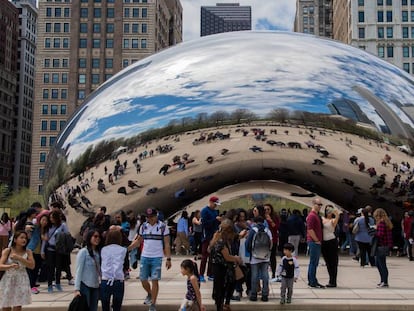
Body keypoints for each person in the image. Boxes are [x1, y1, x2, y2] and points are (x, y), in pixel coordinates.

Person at [135, 208, 171, 311]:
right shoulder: (143, 226)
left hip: (157, 257)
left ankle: (153, 304)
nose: (150, 219)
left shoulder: (163, 227)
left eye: (152, 217)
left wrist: (168, 258)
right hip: (145, 256)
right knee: (143, 279)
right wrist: (127, 249)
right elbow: (139, 241)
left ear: (156, 216)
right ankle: (150, 293)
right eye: (148, 217)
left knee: (155, 280)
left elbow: (167, 244)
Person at [209, 219, 242, 311]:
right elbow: (227, 257)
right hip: (222, 269)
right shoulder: (221, 241)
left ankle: (221, 305)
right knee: (222, 289)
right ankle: (221, 306)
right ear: (228, 231)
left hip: (218, 267)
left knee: (220, 288)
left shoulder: (217, 237)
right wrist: (236, 258)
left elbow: (210, 249)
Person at [0, 230, 35, 310]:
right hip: (8, 280)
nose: (24, 240)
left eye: (25, 238)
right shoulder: (7, 251)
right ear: (15, 240)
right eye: (21, 237)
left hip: (21, 279)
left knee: (18, 306)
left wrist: (19, 258)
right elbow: (0, 266)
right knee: (6, 306)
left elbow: (32, 266)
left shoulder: (28, 251)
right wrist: (10, 266)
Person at [245, 216, 272, 302]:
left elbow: (248, 244)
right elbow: (271, 243)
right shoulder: (267, 230)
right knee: (265, 276)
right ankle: (265, 295)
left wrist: (250, 252)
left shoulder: (253, 230)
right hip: (265, 257)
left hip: (254, 257)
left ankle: (254, 295)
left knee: (254, 276)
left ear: (254, 222)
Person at [100, 228, 127, 311]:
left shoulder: (103, 249)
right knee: (117, 307)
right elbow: (126, 265)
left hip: (105, 280)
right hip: (118, 280)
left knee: (105, 306)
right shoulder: (123, 250)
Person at [74, 229, 101, 311]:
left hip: (95, 286)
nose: (97, 239)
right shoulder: (83, 252)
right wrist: (77, 289)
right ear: (89, 237)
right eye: (95, 236)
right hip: (85, 285)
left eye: (99, 237)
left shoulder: (98, 253)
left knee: (94, 308)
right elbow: (78, 271)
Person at [42, 210, 69, 293]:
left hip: (59, 249)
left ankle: (58, 283)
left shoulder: (62, 225)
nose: (51, 219)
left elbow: (67, 235)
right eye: (50, 217)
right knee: (50, 268)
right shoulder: (49, 226)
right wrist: (42, 251)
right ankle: (50, 285)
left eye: (52, 217)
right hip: (50, 249)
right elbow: (45, 240)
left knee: (58, 267)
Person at [27, 211, 50, 294]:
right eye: (43, 220)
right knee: (31, 269)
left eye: (46, 221)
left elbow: (45, 240)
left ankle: (32, 284)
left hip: (39, 252)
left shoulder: (46, 230)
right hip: (31, 250)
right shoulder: (36, 227)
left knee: (36, 269)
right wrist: (27, 228)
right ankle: (31, 286)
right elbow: (26, 229)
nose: (44, 222)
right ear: (40, 220)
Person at [199, 196, 222, 282]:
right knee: (205, 255)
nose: (215, 206)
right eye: (214, 204)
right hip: (207, 235)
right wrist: (214, 220)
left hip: (214, 235)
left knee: (212, 256)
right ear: (211, 202)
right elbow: (205, 224)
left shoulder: (215, 211)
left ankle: (210, 273)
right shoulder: (205, 211)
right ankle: (201, 274)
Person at [306, 198, 325, 288]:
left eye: (321, 204)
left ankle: (313, 280)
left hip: (315, 241)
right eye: (318, 204)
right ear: (313, 204)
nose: (320, 206)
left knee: (314, 262)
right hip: (314, 242)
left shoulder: (316, 215)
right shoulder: (312, 216)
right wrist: (316, 240)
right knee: (313, 262)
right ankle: (312, 281)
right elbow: (310, 229)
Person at [321, 205, 340, 287]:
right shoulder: (322, 218)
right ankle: (330, 279)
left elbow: (335, 221)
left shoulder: (332, 220)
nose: (328, 211)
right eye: (327, 209)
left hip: (332, 241)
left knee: (333, 262)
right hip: (324, 242)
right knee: (327, 261)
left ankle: (333, 281)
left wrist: (336, 214)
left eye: (330, 209)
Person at [373, 208, 393, 288]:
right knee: (380, 263)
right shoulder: (386, 221)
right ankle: (383, 281)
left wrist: (374, 231)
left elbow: (380, 234)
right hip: (386, 245)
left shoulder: (381, 223)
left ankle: (384, 281)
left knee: (381, 264)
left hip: (381, 245)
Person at [263, 203, 280, 282]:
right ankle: (264, 273)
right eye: (265, 209)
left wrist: (270, 220)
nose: (266, 211)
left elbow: (276, 227)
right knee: (264, 257)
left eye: (268, 209)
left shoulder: (274, 217)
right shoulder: (262, 218)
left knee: (272, 257)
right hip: (263, 240)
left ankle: (273, 273)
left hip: (273, 239)